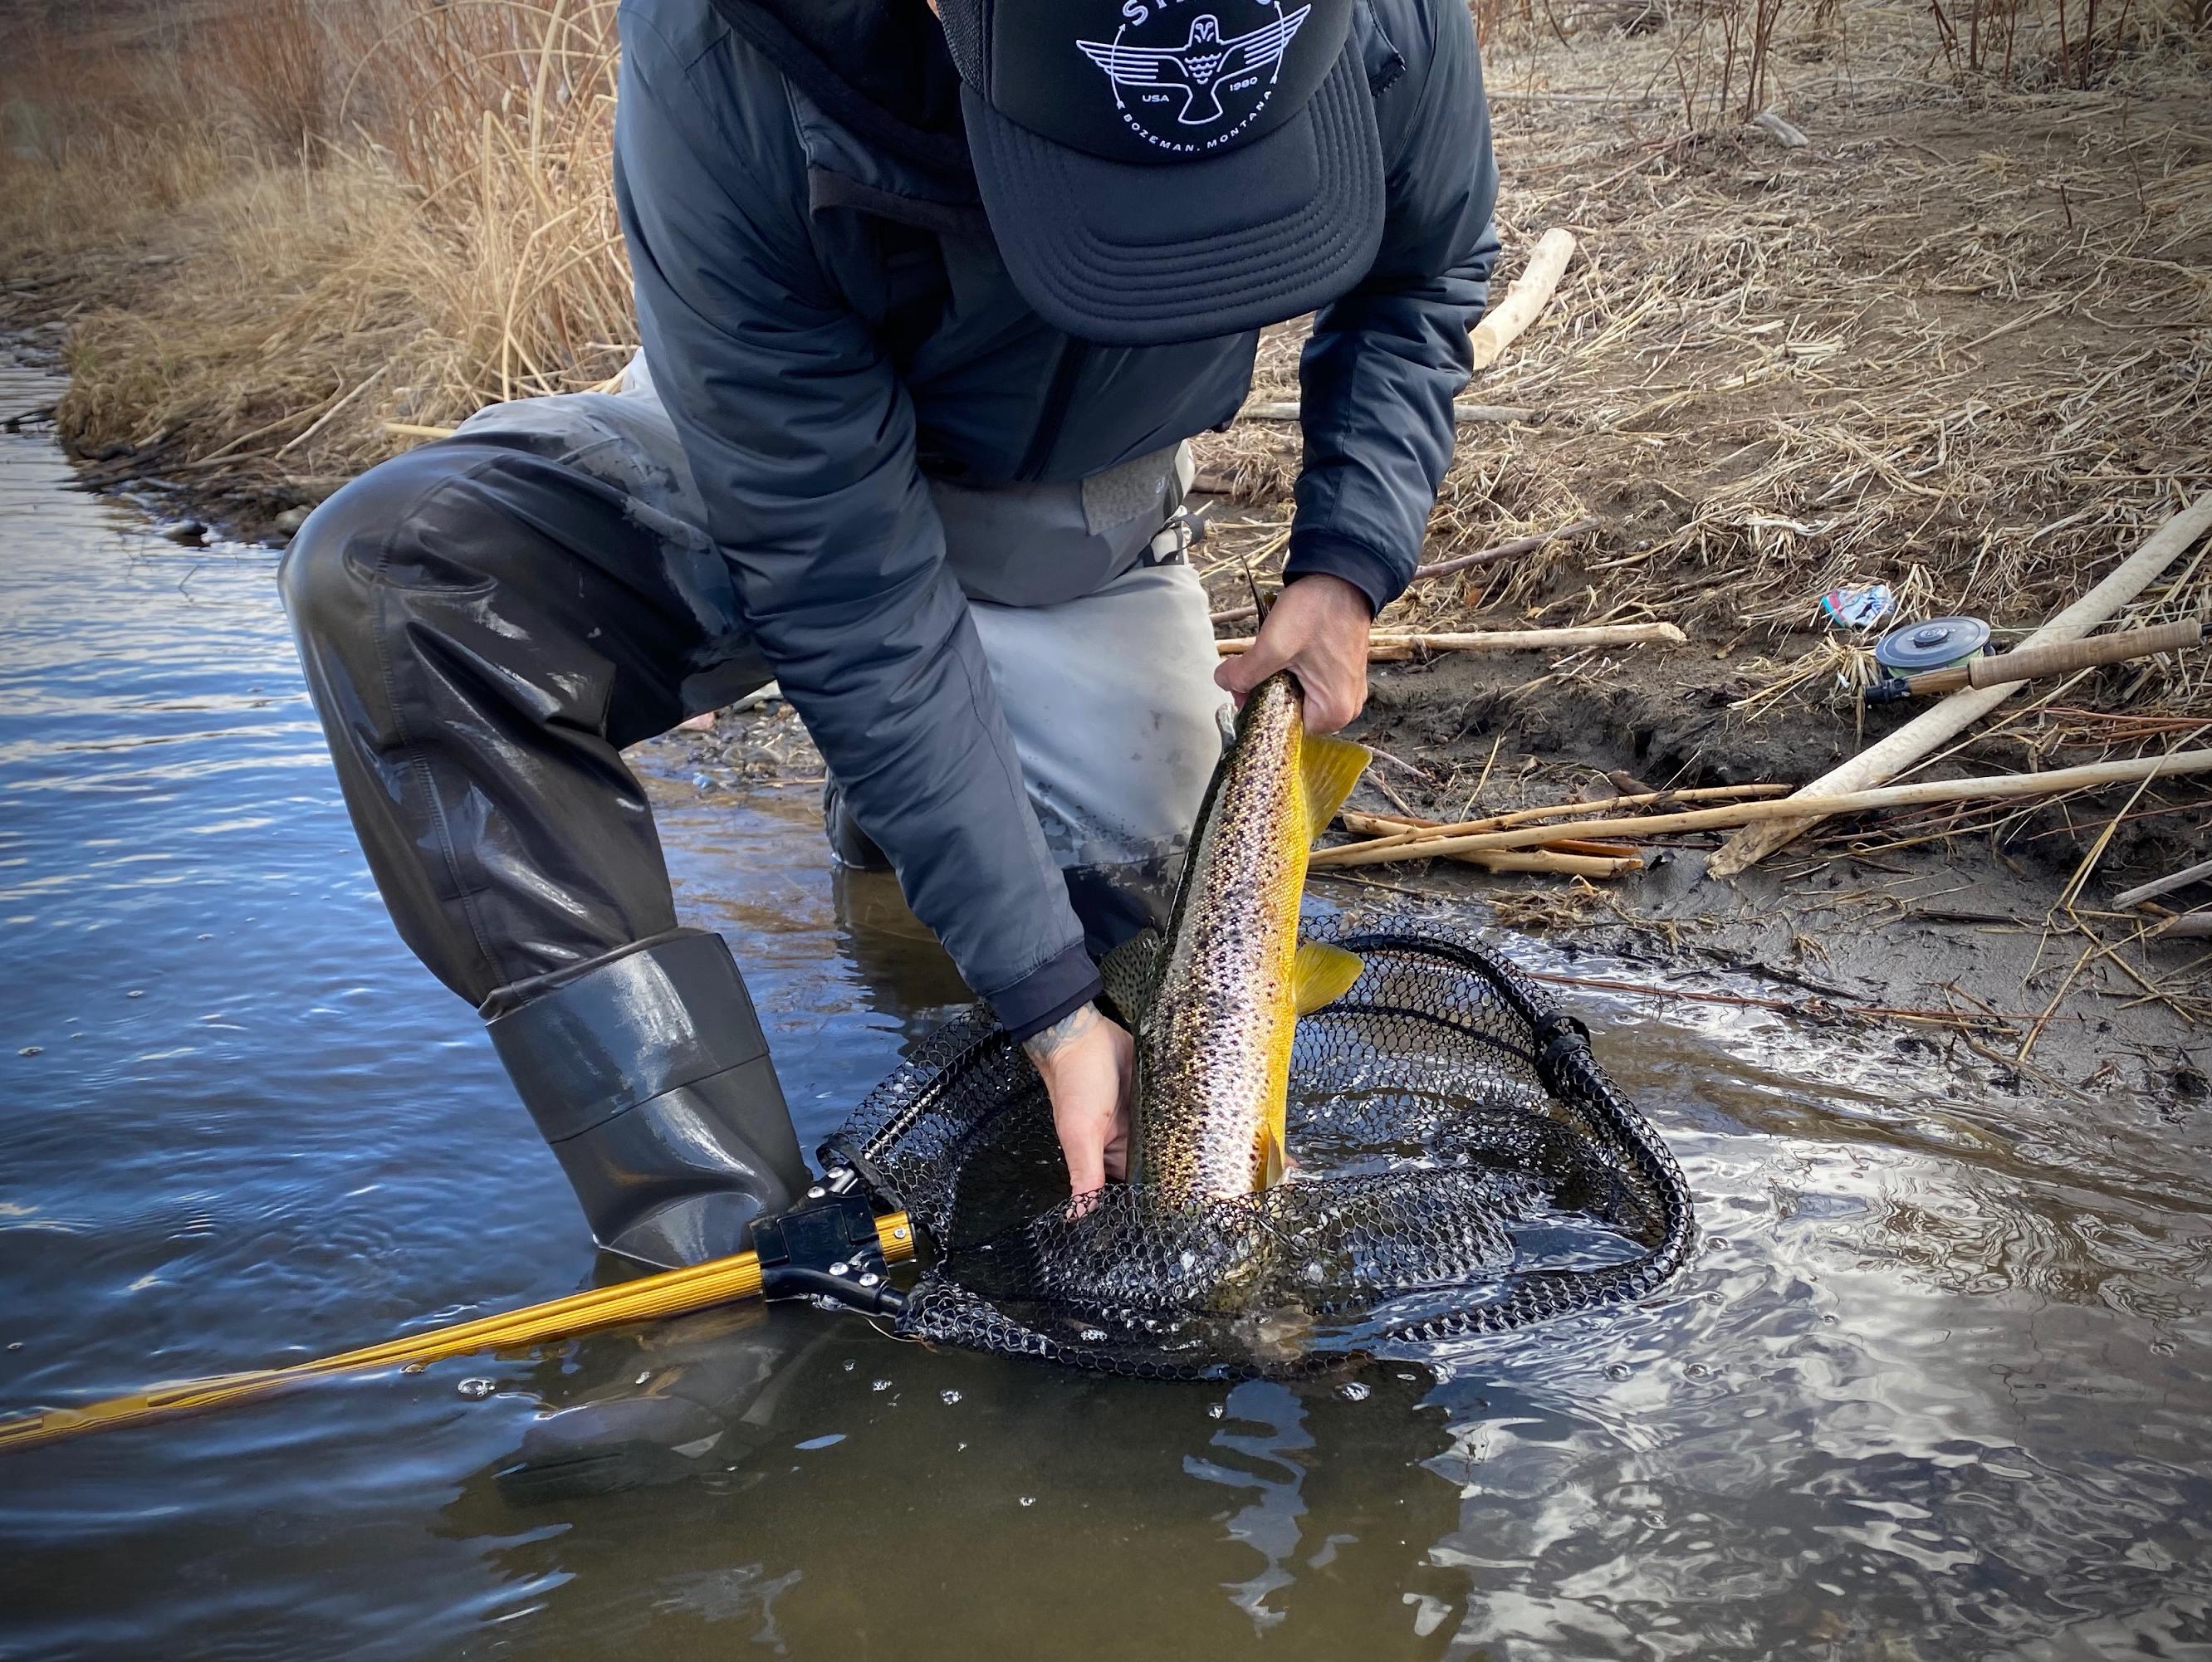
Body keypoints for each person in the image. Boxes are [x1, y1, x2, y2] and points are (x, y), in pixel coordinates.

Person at [280, 0, 1497, 1276]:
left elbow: (1424, 270)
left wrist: (1347, 561)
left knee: (1153, 992)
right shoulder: (730, 58)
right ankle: (704, 1241)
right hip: (768, 477)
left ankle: (904, 820)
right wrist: (1041, 1002)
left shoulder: (1389, 23)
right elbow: (850, 587)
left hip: (1072, 524)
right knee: (396, 586)